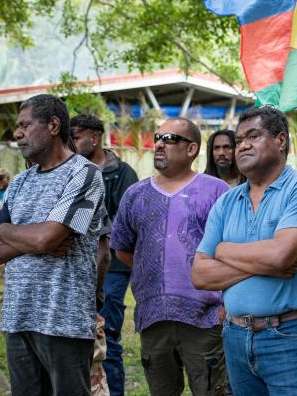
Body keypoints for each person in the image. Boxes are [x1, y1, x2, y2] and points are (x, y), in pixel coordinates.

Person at [192, 105, 297, 396]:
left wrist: (224, 250)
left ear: (281, 141)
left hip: (290, 336)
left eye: (252, 136)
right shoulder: (227, 201)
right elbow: (200, 274)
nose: (242, 146)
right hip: (235, 335)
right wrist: (263, 262)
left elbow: (280, 256)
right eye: (239, 140)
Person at [0, 94, 105, 396]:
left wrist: (9, 232)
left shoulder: (84, 174)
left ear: (52, 125)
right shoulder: (21, 181)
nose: (17, 133)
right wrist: (31, 241)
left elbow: (45, 238)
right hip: (17, 316)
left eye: (24, 125)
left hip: (63, 320)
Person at [111, 117, 229, 396]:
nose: (160, 145)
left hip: (207, 318)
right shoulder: (135, 194)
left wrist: (224, 302)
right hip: (154, 319)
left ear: (191, 150)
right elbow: (123, 249)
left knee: (213, 391)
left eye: (170, 139)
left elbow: (232, 252)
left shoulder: (217, 192)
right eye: (158, 137)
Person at [71, 114, 139, 396]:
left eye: (76, 136)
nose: (71, 143)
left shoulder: (122, 173)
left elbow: (125, 224)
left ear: (94, 137)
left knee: (107, 333)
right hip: (77, 265)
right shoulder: (72, 171)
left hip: (113, 267)